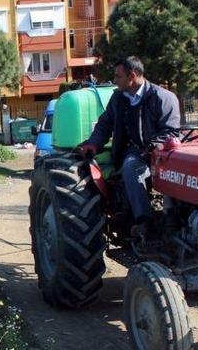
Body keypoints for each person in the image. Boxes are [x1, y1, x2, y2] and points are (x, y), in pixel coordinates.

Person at [74, 56, 180, 239]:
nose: (115, 81)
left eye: (118, 76)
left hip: (160, 153)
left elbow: (170, 133)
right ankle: (144, 223)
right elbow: (105, 124)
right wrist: (93, 142)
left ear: (132, 75)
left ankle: (175, 218)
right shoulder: (118, 98)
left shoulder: (163, 98)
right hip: (133, 153)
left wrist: (153, 147)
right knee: (132, 167)